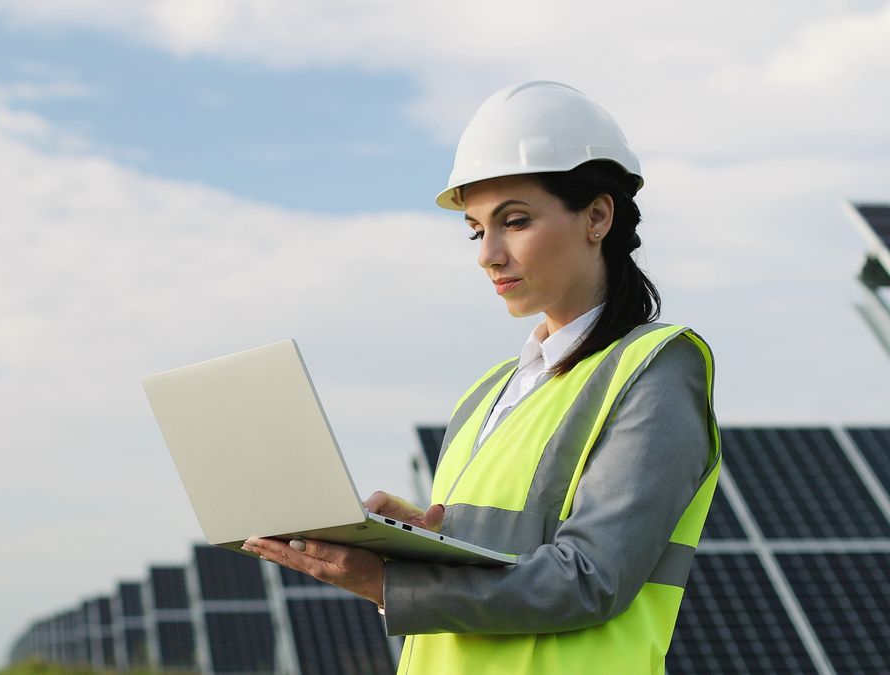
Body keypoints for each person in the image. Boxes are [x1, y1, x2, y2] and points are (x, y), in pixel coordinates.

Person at [241, 80, 719, 674]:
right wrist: (415, 536)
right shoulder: (488, 393)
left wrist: (390, 584)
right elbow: (505, 548)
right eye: (475, 229)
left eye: (513, 222)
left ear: (597, 216)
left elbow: (592, 579)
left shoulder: (657, 368)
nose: (487, 254)